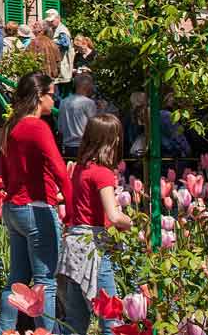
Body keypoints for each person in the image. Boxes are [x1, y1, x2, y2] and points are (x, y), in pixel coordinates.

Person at [0, 72, 70, 334]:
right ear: (40, 96)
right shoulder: (38, 127)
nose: (55, 99)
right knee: (45, 282)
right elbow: (60, 169)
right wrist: (71, 210)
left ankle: (5, 330)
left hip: (14, 206)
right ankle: (44, 332)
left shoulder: (11, 126)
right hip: (36, 208)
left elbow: (4, 172)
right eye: (52, 94)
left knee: (16, 280)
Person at [58, 114, 132, 335]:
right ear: (112, 140)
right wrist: (133, 223)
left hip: (74, 246)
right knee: (111, 317)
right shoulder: (103, 173)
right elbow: (114, 215)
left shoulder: (81, 168)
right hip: (94, 250)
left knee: (75, 319)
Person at [58, 73, 99, 160]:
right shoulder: (89, 103)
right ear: (86, 86)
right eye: (92, 85)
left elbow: (60, 129)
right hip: (84, 146)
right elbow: (95, 127)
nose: (93, 88)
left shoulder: (63, 102)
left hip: (67, 147)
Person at [45, 9, 74, 94]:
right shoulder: (52, 30)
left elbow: (65, 44)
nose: (51, 23)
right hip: (57, 66)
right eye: (49, 21)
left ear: (58, 18)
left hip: (64, 65)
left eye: (52, 21)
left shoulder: (62, 31)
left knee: (63, 93)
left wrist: (51, 43)